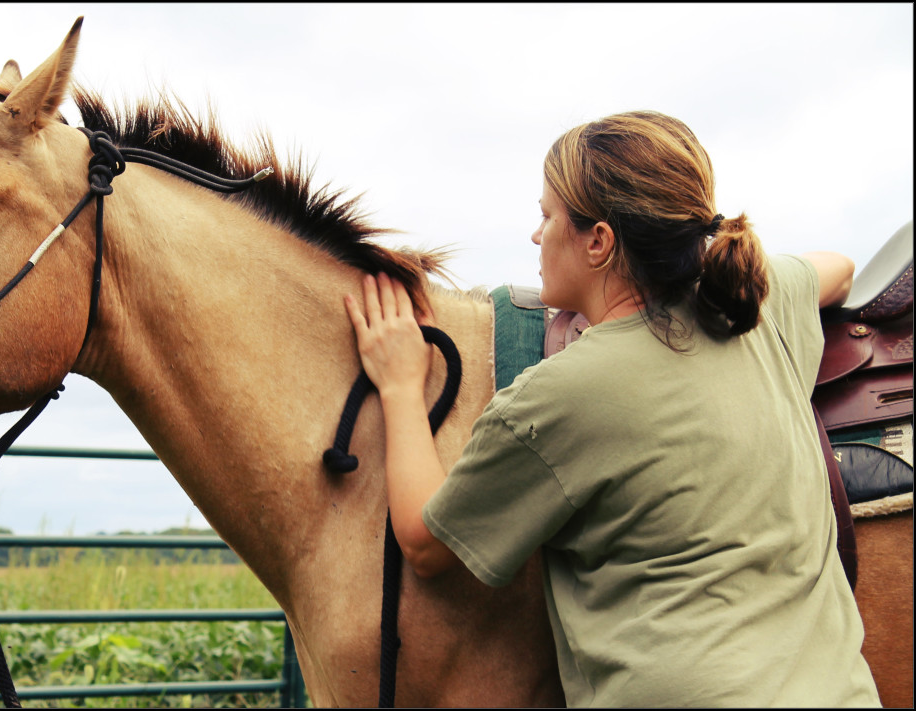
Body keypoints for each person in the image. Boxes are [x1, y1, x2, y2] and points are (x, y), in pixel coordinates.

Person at [343, 111, 881, 706]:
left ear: (598, 241)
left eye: (547, 216)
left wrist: (398, 385)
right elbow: (840, 267)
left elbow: (424, 544)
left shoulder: (559, 396)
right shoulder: (758, 310)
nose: (534, 235)